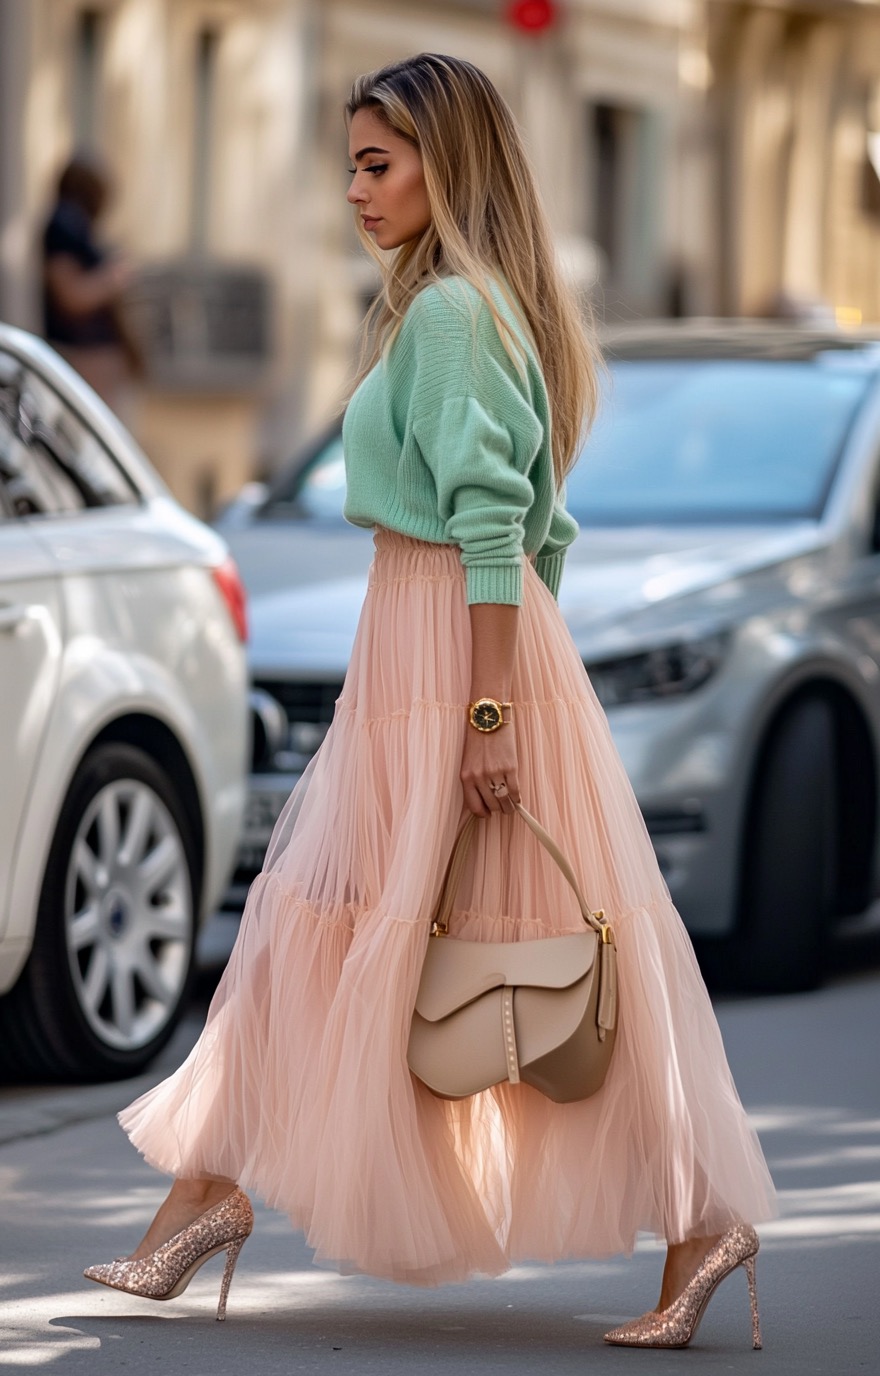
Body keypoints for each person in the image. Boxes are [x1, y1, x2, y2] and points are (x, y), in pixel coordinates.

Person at [83, 54, 777, 1348]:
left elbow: (498, 522)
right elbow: (545, 538)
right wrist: (504, 682)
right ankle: (204, 1194)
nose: (354, 187)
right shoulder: (467, 309)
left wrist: (492, 713)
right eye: (350, 162)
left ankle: (703, 1219)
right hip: (438, 654)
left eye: (377, 162)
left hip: (454, 662)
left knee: (529, 952)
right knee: (335, 931)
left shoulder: (455, 316)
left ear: (447, 164)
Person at [42, 154, 143, 415]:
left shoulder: (74, 223)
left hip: (96, 360)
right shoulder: (64, 223)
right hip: (85, 357)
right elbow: (71, 296)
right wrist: (113, 278)